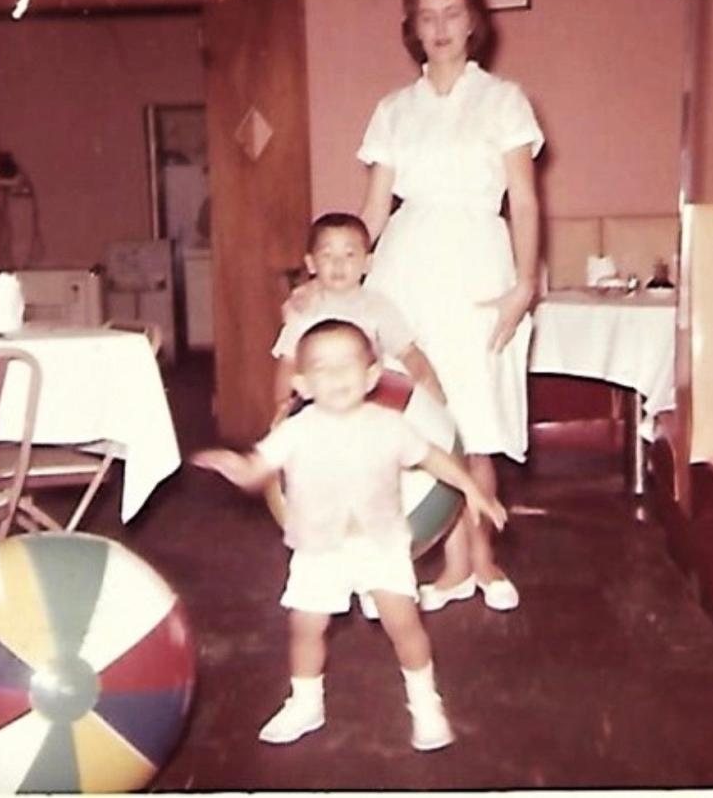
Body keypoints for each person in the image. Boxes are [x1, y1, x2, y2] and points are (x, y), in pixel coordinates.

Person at [192, 319, 507, 751]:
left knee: (403, 623)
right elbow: (257, 469)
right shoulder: (296, 431)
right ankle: (306, 703)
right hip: (318, 549)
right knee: (306, 626)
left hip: (381, 545)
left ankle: (425, 703)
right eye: (322, 367)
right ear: (301, 383)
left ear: (372, 375)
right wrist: (239, 469)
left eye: (348, 365)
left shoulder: (389, 425)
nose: (337, 376)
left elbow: (433, 457)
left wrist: (472, 488)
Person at [357, 0, 544, 613]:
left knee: (478, 417)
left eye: (451, 13)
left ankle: (482, 560)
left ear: (473, 23)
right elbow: (374, 212)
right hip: (406, 272)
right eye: (425, 16)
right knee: (422, 417)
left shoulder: (504, 99)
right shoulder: (393, 110)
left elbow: (523, 199)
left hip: (478, 272)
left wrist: (524, 284)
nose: (439, 28)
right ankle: (449, 561)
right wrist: (330, 277)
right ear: (411, 26)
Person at [272, 212, 445, 420]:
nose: (338, 264)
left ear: (367, 263)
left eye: (350, 255)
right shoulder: (304, 310)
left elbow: (408, 352)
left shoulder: (378, 308)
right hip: (317, 407)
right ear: (311, 263)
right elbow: (288, 362)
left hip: (369, 407)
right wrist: (282, 405)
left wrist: (431, 390)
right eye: (327, 255)